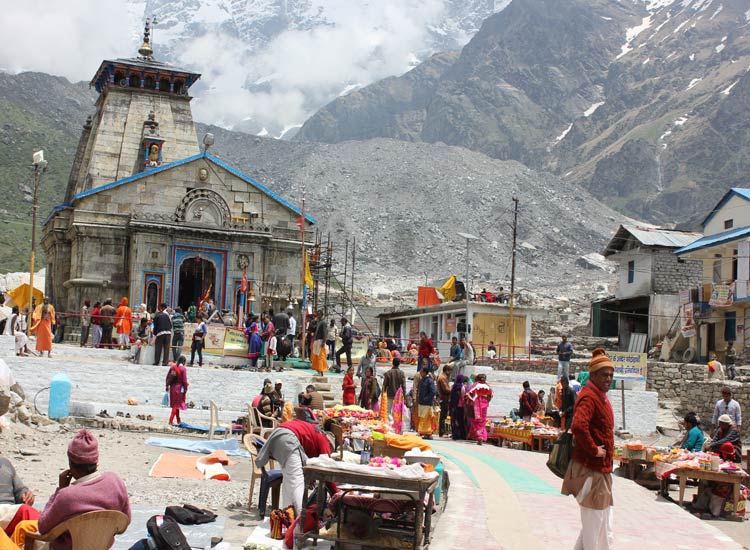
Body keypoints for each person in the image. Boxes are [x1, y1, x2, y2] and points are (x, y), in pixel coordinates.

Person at [38, 430, 131, 550]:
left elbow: (43, 527)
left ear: (71, 465)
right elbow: (125, 522)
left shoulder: (66, 496)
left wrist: (59, 490)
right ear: (96, 462)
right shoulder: (115, 481)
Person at [562, 348, 615, 550]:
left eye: (611, 375)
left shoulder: (599, 396)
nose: (609, 378)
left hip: (601, 470)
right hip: (591, 470)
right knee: (596, 527)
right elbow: (578, 426)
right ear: (593, 375)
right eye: (604, 374)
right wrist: (594, 450)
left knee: (598, 525)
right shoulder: (589, 397)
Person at [254, 418, 332, 516]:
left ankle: (287, 517)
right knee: (297, 482)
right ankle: (300, 521)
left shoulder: (314, 432)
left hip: (279, 433)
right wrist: (336, 493)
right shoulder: (323, 439)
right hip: (288, 438)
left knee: (289, 483)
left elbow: (306, 461)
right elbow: (328, 470)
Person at [0, 456, 38, 540]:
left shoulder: (5, 463)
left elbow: (20, 490)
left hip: (9, 512)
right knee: (25, 511)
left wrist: (26, 495)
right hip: (6, 511)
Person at [467, 373, 492, 445]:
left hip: (477, 404)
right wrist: (486, 401)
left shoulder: (474, 385)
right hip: (485, 404)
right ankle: (481, 436)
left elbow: (469, 394)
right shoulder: (487, 386)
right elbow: (490, 396)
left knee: (476, 421)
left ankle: (479, 436)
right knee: (483, 421)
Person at [166, 356, 189, 425]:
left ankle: (178, 420)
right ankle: (170, 420)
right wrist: (185, 389)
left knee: (176, 404)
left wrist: (167, 385)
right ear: (184, 362)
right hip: (179, 388)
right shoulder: (183, 369)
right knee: (176, 405)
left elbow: (168, 377)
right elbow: (184, 381)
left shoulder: (173, 367)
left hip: (172, 387)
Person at [416, 367, 437, 439]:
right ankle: (426, 433)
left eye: (421, 372)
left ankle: (424, 432)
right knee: (421, 417)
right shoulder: (422, 380)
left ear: (425, 372)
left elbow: (433, 391)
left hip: (427, 404)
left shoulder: (430, 381)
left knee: (425, 418)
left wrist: (427, 399)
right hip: (421, 403)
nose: (420, 373)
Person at [450, 374, 467, 440]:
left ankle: (455, 435)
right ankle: (461, 435)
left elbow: (451, 395)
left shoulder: (454, 386)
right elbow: (463, 397)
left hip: (453, 405)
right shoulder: (462, 387)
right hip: (460, 406)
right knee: (461, 421)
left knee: (454, 420)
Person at [437, 365, 453, 437]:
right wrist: (452, 389)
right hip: (444, 398)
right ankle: (442, 431)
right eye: (450, 371)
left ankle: (442, 431)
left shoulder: (443, 377)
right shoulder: (443, 378)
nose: (450, 373)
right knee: (443, 415)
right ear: (447, 371)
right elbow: (446, 390)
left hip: (444, 398)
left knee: (443, 415)